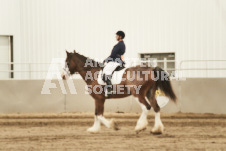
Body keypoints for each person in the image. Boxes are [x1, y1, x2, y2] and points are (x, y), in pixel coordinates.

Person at [102, 31, 126, 97]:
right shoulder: (122, 44)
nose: (116, 37)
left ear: (120, 36)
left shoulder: (119, 45)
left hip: (115, 61)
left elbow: (112, 55)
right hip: (117, 60)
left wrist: (105, 60)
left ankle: (110, 90)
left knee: (105, 73)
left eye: (117, 35)